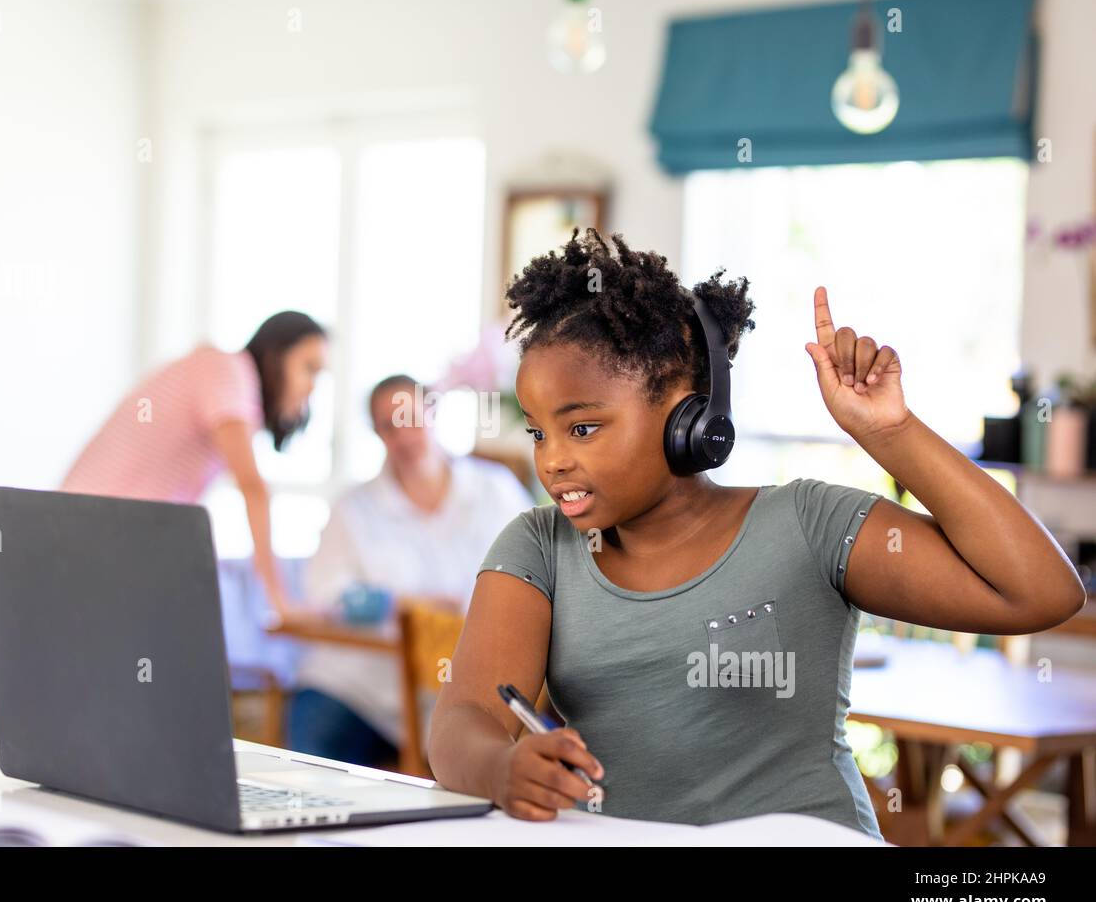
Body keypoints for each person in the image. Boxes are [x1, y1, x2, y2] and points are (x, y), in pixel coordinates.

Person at [427, 228, 1086, 838]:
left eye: (584, 427)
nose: (552, 459)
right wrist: (499, 768)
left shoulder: (806, 525)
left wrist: (891, 434)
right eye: (540, 431)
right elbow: (465, 721)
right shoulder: (539, 548)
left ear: (692, 416)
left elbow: (1041, 593)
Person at [290, 374, 534, 768]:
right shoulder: (354, 509)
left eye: (411, 419)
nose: (404, 437)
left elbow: (538, 568)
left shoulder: (495, 491)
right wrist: (404, 606)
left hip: (463, 684)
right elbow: (326, 594)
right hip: (362, 687)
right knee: (311, 755)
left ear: (432, 412)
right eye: (389, 427)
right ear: (377, 434)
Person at [62, 311, 328, 615]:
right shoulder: (226, 369)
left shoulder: (229, 382)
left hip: (97, 531)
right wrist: (279, 601)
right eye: (309, 368)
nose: (312, 386)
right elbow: (253, 488)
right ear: (275, 357)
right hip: (92, 528)